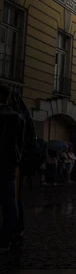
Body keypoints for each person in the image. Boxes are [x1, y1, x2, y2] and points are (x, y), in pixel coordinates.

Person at [0, 85, 24, 252]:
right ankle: (6, 240)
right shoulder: (18, 117)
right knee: (9, 204)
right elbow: (20, 146)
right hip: (9, 166)